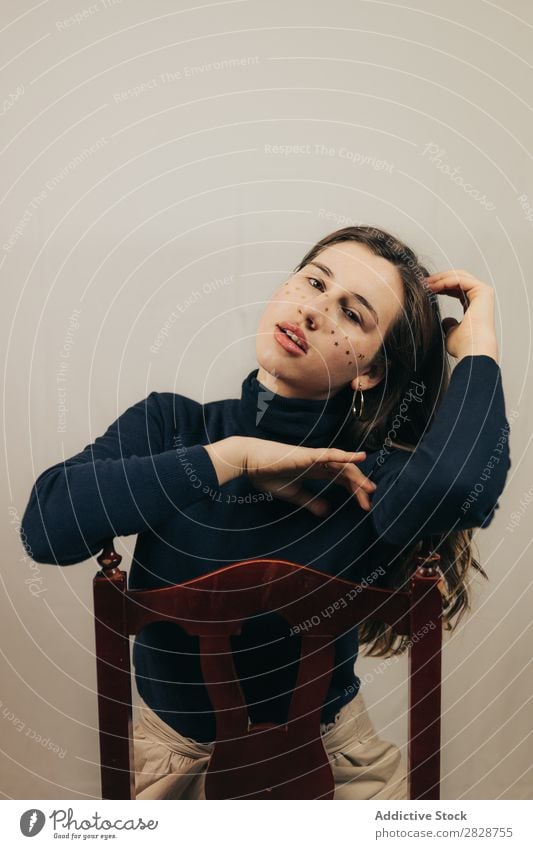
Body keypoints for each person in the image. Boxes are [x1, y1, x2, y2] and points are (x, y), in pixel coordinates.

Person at [20, 225, 511, 799]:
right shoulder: (172, 427)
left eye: (352, 315)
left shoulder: (362, 472)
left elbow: (460, 487)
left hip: (335, 768)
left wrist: (479, 349)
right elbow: (46, 530)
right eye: (313, 283)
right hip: (169, 767)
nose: (312, 312)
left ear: (370, 372)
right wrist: (232, 459)